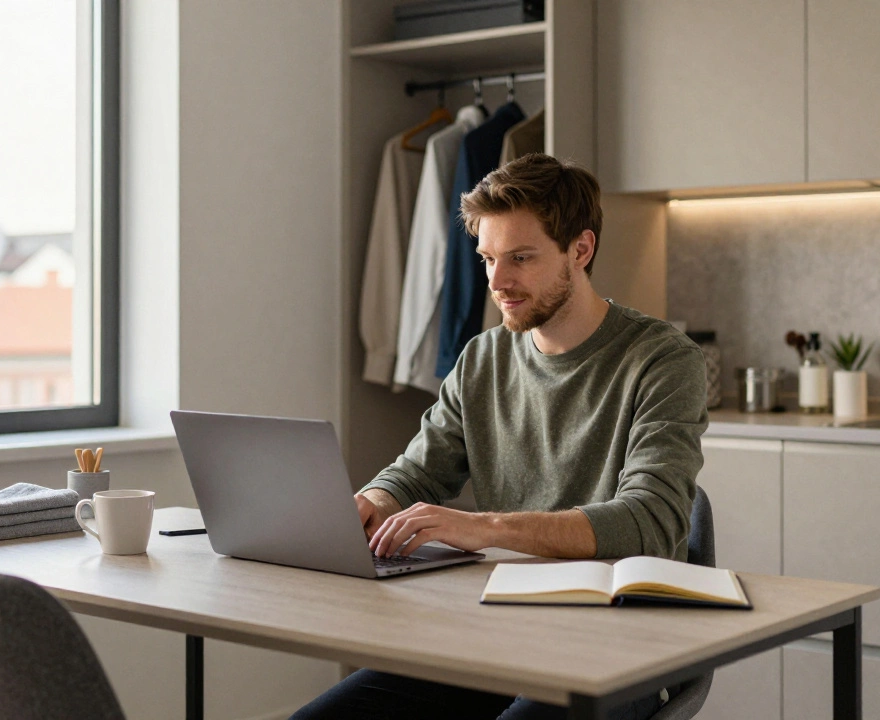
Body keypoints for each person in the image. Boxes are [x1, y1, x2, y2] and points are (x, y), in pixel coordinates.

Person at [292, 153, 708, 720]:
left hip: (619, 644)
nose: (497, 281)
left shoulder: (663, 360)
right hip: (493, 631)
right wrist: (374, 501)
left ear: (580, 250)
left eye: (521, 258)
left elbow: (651, 520)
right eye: (487, 258)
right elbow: (419, 472)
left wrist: (482, 528)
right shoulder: (482, 358)